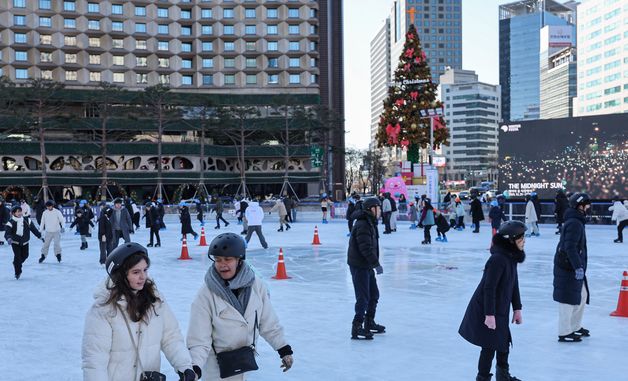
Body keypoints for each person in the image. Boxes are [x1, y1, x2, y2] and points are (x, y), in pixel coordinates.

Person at [82, 243, 198, 381]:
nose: (143, 277)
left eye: (145, 270)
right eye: (136, 272)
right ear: (121, 275)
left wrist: (185, 366)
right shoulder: (103, 310)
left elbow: (170, 337)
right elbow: (95, 362)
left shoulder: (155, 301)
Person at [187, 233, 294, 379]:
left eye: (227, 259)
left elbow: (268, 322)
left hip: (246, 365)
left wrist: (283, 349)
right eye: (218, 260)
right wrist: (195, 367)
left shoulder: (256, 286)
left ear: (239, 259)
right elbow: (199, 339)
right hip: (218, 372)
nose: (222, 264)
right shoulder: (205, 295)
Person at [459, 220, 526, 381]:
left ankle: (503, 376)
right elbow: (488, 288)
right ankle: (483, 378)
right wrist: (489, 315)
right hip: (488, 309)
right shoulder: (498, 260)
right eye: (521, 239)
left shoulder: (510, 258)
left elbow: (513, 284)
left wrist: (517, 308)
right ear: (511, 240)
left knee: (503, 344)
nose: (524, 242)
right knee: (489, 347)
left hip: (501, 308)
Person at [553, 192, 591, 343]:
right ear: (579, 206)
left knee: (581, 296)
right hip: (567, 267)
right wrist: (577, 267)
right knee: (567, 299)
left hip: (571, 265)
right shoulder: (575, 223)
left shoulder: (576, 220)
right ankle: (564, 331)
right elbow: (570, 247)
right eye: (586, 205)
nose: (588, 207)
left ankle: (575, 326)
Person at [347, 197, 385, 340]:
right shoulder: (363, 224)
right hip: (359, 265)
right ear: (371, 209)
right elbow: (365, 248)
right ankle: (356, 327)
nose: (380, 211)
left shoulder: (370, 222)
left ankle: (369, 322)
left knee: (374, 295)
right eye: (378, 208)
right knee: (363, 297)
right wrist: (376, 264)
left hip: (366, 265)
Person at [4, 205, 43, 279]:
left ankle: (16, 264)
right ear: (13, 213)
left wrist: (40, 236)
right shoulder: (11, 222)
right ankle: (17, 272)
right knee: (18, 257)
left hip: (25, 242)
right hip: (15, 243)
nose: (19, 213)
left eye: (20, 211)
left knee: (25, 256)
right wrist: (9, 238)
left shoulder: (27, 220)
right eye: (17, 212)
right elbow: (7, 233)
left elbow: (34, 229)